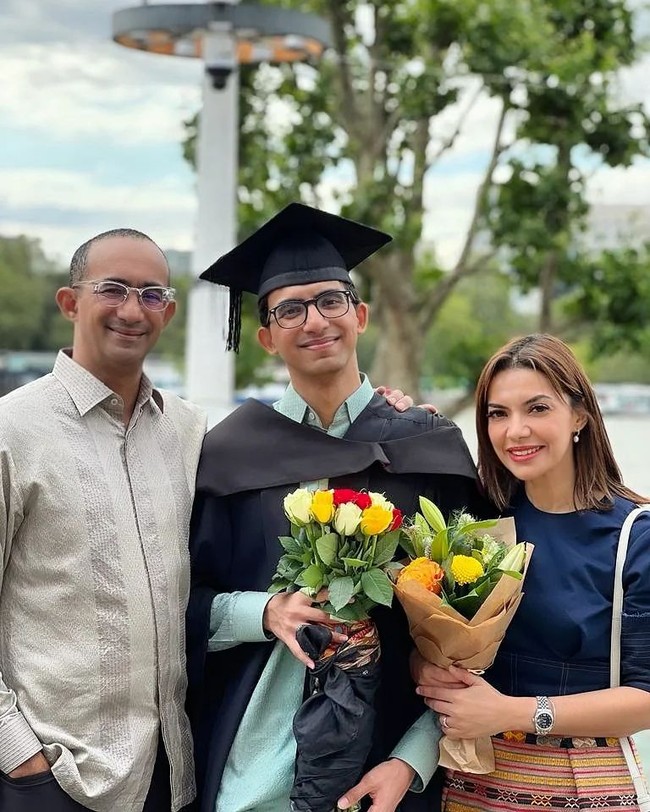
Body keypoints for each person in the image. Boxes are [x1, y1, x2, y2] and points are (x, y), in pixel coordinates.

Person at [186, 202, 487, 812]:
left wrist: (413, 760)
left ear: (361, 315)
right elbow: (175, 604)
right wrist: (265, 612)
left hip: (385, 770)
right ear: (266, 336)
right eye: (289, 309)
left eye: (330, 300)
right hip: (253, 772)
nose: (314, 320)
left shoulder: (425, 445)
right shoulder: (228, 455)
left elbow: (476, 629)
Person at [0, 229, 207, 811]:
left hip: (172, 773)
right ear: (70, 302)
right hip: (58, 777)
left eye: (151, 294)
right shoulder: (12, 431)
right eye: (112, 289)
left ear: (168, 309)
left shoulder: (187, 432)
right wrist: (19, 755)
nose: (131, 309)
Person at [413, 333, 650, 811]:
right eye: (498, 414)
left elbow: (646, 697)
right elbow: (426, 644)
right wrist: (428, 672)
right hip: (467, 782)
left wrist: (511, 712)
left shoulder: (634, 537)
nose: (515, 430)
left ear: (579, 414)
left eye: (537, 409)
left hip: (584, 786)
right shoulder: (476, 524)